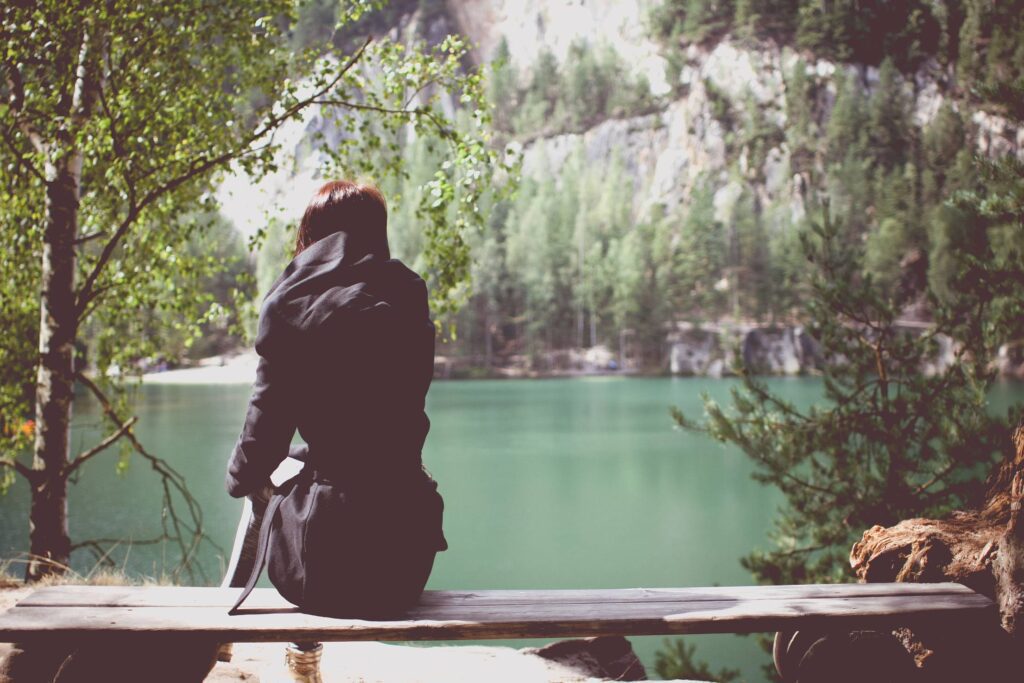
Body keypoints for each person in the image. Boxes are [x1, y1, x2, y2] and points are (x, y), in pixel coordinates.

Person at [223, 180, 447, 620]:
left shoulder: (290, 305)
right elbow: (378, 418)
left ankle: (250, 634)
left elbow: (261, 440)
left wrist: (238, 480)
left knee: (260, 485)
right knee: (295, 464)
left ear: (312, 234)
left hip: (324, 567)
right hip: (403, 564)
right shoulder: (406, 295)